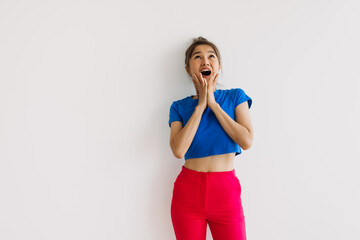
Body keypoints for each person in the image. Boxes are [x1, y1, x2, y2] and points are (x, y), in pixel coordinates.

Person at [168, 37, 254, 240]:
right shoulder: (179, 107)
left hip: (226, 194)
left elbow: (247, 141)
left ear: (218, 65)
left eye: (211, 56)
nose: (205, 61)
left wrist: (214, 105)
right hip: (187, 195)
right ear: (189, 68)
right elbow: (178, 150)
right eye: (197, 57)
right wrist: (200, 106)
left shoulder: (235, 97)